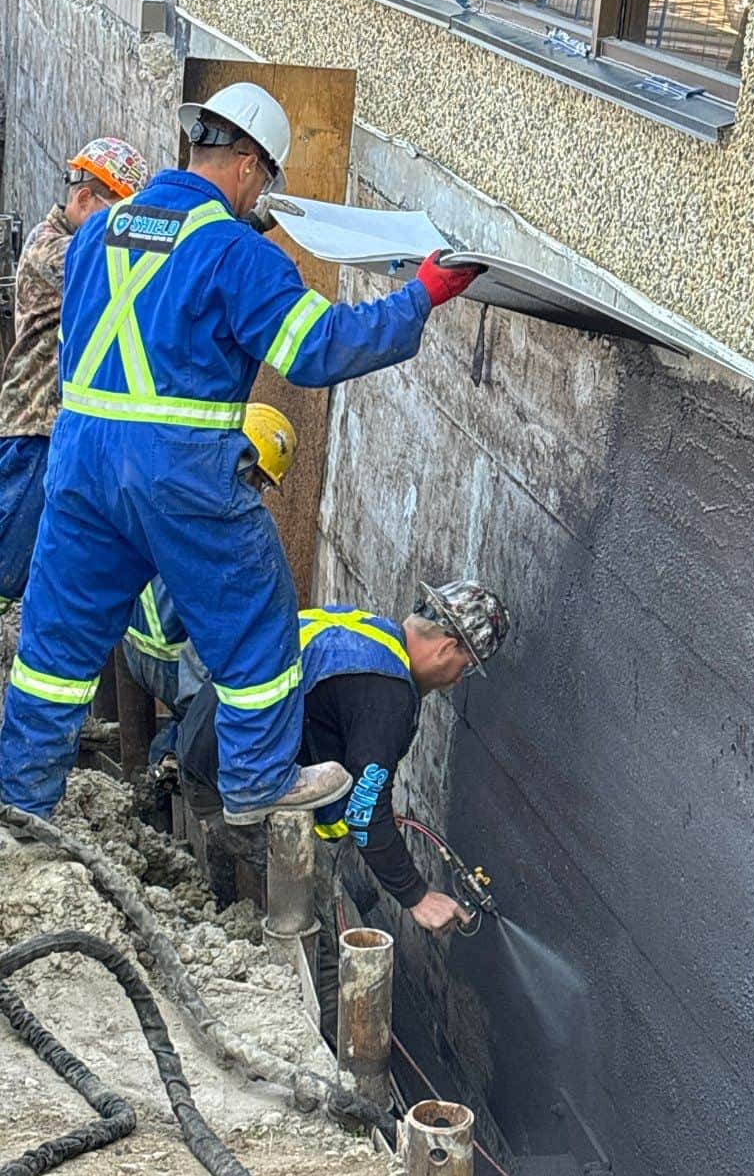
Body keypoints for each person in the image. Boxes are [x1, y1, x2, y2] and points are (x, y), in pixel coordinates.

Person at [0, 82, 482, 824]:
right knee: (258, 615)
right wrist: (420, 295)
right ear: (251, 165)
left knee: (55, 645)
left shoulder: (103, 229)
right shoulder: (233, 253)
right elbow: (319, 349)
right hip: (179, 469)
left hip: (80, 460)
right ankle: (257, 779)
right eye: (266, 179)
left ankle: (21, 803)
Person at [176, 580, 510, 1038]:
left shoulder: (365, 634)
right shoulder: (389, 694)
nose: (456, 680)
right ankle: (328, 1065)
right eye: (464, 667)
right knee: (328, 944)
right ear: (447, 646)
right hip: (229, 791)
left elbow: (341, 747)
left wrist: (369, 812)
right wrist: (417, 896)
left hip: (208, 751)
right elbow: (364, 812)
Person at [0, 138, 149, 614]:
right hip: (33, 428)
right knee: (8, 568)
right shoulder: (55, 252)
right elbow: (133, 265)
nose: (125, 232)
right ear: (86, 198)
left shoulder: (73, 244)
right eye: (120, 218)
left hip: (54, 431)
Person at [122, 401, 298, 762]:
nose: (258, 491)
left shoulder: (175, 481)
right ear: (243, 462)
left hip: (131, 646)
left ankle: (166, 759)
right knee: (215, 714)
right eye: (258, 479)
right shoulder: (230, 527)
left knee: (192, 715)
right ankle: (183, 757)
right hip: (174, 663)